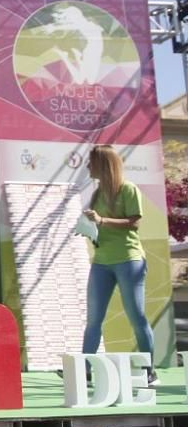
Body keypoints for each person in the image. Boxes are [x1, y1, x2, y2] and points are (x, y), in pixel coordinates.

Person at [81, 144, 157, 384]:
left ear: (103, 164)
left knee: (137, 317)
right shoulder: (96, 193)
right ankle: (84, 371)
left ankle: (149, 371)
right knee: (93, 319)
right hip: (102, 261)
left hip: (129, 260)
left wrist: (102, 220)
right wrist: (87, 227)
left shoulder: (127, 189)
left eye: (91, 161)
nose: (87, 166)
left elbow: (135, 222)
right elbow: (98, 226)